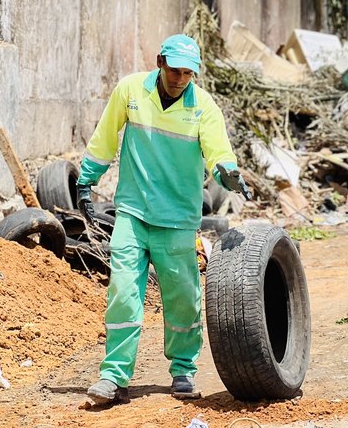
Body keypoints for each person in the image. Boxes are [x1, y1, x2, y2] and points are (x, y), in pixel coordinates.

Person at [77, 34, 248, 404]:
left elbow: (218, 152)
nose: (180, 79)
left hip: (177, 219)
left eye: (188, 73)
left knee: (183, 298)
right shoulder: (130, 91)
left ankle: (183, 370)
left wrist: (227, 173)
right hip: (132, 212)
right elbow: (105, 135)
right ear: (159, 62)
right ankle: (114, 376)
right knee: (123, 293)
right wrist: (86, 179)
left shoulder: (204, 107)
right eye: (174, 70)